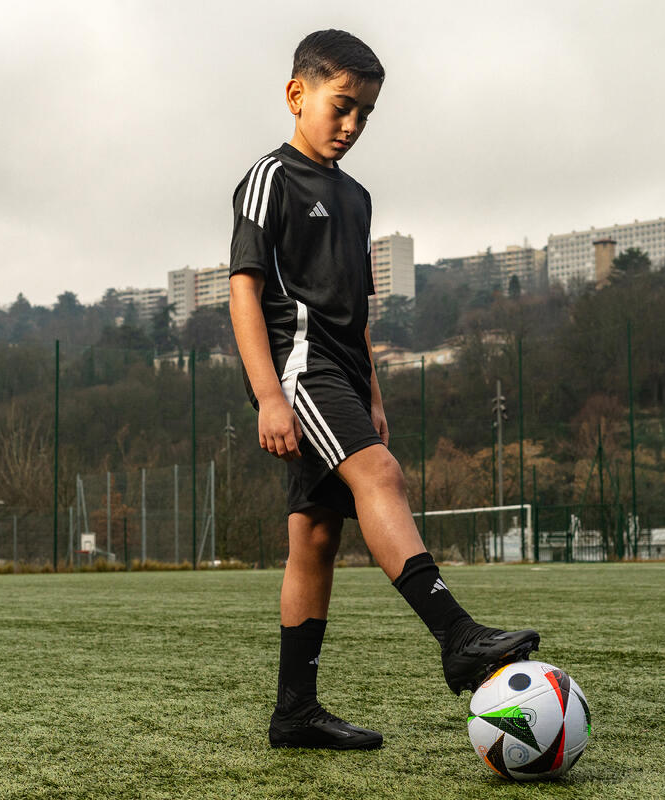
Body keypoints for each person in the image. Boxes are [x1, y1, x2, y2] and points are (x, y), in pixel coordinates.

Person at [229, 29, 540, 751]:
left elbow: (357, 308)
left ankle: (295, 712)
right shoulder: (269, 178)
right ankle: (458, 635)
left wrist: (372, 391)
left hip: (343, 373)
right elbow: (243, 293)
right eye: (341, 106)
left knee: (313, 535)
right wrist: (271, 395)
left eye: (365, 113)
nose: (352, 124)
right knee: (381, 475)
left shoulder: (358, 197)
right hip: (299, 369)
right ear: (296, 94)